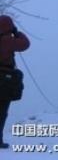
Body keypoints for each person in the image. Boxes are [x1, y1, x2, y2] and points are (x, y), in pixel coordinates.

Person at [0, 15, 30, 150]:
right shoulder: (8, 41)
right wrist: (16, 32)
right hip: (3, 80)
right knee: (1, 111)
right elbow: (25, 44)